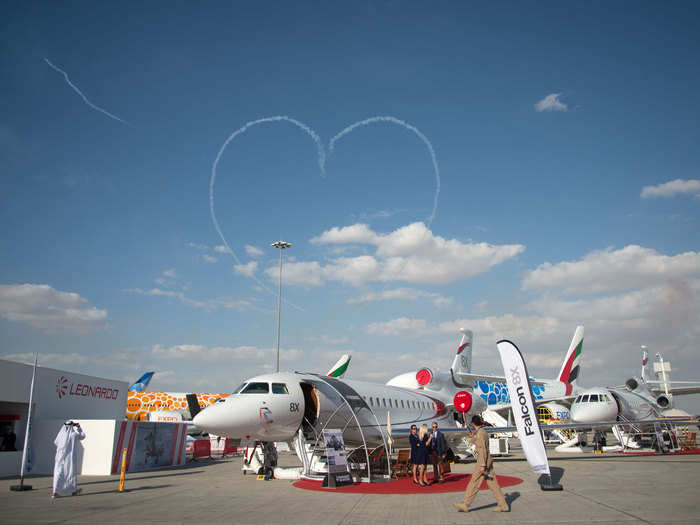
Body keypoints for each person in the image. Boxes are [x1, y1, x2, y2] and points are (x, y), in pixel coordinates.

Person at [453, 415, 508, 513]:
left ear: (473, 423)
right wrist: (471, 436)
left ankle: (465, 503)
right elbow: (479, 443)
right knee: (492, 484)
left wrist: (482, 465)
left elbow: (482, 449)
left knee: (474, 482)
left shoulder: (480, 433)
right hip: (487, 460)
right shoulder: (482, 432)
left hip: (483, 460)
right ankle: (503, 504)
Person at [52, 421, 85, 498]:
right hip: (70, 458)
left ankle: (55, 492)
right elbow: (83, 436)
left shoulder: (61, 435)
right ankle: (73, 490)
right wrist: (79, 427)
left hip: (60, 457)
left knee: (58, 473)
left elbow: (56, 442)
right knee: (70, 473)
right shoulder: (73, 435)